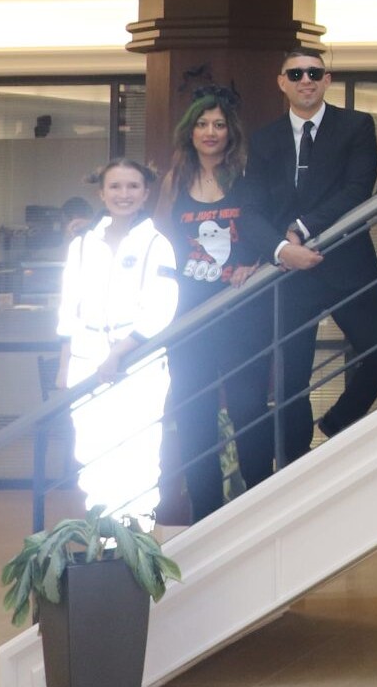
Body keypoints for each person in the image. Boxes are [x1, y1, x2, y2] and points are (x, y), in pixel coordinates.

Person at [256, 47, 377, 466]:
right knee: (292, 377)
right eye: (295, 74)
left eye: (314, 72)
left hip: (347, 260)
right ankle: (296, 467)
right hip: (288, 270)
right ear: (282, 82)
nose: (305, 80)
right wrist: (282, 248)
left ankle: (336, 423)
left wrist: (301, 229)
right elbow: (253, 206)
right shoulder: (264, 139)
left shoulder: (356, 125)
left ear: (327, 79)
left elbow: (356, 190)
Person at [155, 91, 277, 523]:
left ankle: (258, 507)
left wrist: (258, 261)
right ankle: (205, 517)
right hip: (188, 314)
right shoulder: (176, 179)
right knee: (193, 411)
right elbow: (163, 236)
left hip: (242, 310)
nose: (211, 132)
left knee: (247, 408)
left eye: (219, 124)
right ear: (191, 130)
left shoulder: (247, 174)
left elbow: (266, 225)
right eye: (203, 124)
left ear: (231, 132)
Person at [58, 158, 178, 520]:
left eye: (132, 187)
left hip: (137, 361)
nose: (123, 194)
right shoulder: (81, 245)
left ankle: (135, 540)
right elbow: (68, 306)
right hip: (86, 358)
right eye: (115, 186)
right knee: (92, 452)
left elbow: (161, 309)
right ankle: (101, 536)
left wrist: (118, 354)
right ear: (101, 192)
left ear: (145, 194)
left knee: (137, 451)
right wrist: (64, 366)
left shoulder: (157, 243)